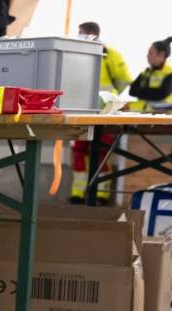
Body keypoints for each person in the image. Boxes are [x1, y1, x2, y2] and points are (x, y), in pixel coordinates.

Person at [70, 21, 134, 204]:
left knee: (100, 152)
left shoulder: (111, 56)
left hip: (105, 113)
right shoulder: (76, 54)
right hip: (81, 111)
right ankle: (78, 192)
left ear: (92, 34)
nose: (79, 36)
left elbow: (125, 85)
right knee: (79, 151)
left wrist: (118, 105)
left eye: (81, 33)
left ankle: (101, 194)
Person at [128, 38, 172, 112]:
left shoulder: (169, 74)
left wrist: (141, 91)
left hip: (163, 117)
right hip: (143, 114)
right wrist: (151, 92)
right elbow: (132, 91)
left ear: (161, 55)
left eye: (150, 53)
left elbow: (161, 94)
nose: (147, 56)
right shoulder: (145, 73)